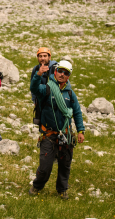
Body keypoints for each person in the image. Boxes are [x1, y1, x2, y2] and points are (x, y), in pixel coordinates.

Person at [29, 60, 85, 199]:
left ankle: (62, 189)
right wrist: (38, 74)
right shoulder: (46, 88)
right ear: (55, 71)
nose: (62, 74)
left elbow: (77, 112)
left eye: (66, 73)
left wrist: (80, 131)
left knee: (65, 165)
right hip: (48, 134)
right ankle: (37, 186)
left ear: (69, 76)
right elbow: (34, 89)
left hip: (66, 134)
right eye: (60, 71)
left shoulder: (70, 93)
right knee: (45, 166)